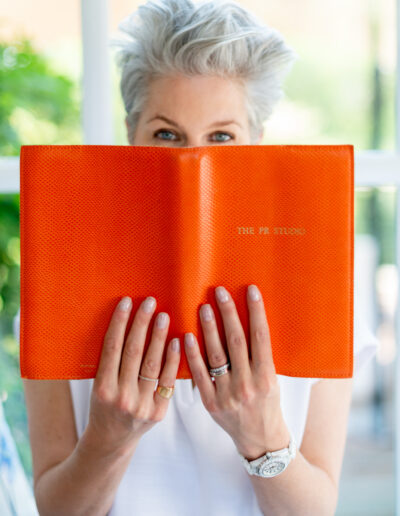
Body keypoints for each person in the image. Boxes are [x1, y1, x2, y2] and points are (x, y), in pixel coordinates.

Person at [20, 0, 380, 514]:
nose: (191, 162)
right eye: (167, 135)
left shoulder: (325, 290)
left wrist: (263, 435)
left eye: (221, 138)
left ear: (256, 142)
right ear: (131, 136)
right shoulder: (55, 285)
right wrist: (110, 436)